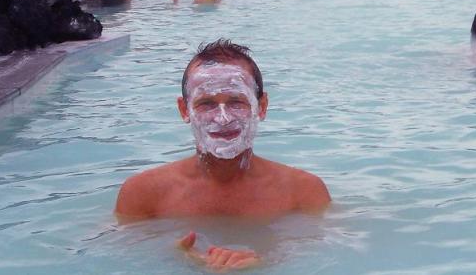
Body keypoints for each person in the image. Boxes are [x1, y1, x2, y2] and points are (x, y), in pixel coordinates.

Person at [115, 40, 331, 270]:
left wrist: (263, 266)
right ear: (184, 110)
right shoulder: (144, 194)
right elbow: (121, 257)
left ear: (262, 106)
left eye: (236, 102)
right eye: (206, 103)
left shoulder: (303, 192)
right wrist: (176, 257)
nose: (223, 118)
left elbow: (317, 259)